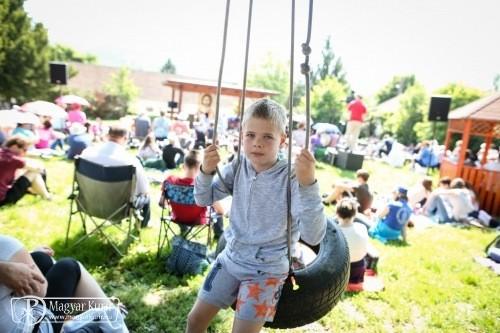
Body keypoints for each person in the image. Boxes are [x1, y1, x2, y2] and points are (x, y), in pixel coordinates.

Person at [186, 99, 326, 333]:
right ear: (242, 135)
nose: (257, 144)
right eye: (250, 135)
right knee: (194, 321)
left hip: (266, 270)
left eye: (267, 137)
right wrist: (205, 171)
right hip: (231, 258)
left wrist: (308, 183)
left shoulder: (292, 177)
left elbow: (313, 235)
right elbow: (203, 199)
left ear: (282, 140)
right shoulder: (240, 164)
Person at [0, 234, 126, 332]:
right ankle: (116, 321)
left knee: (41, 258)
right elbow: (41, 290)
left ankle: (108, 314)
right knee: (68, 267)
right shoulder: (4, 244)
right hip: (34, 328)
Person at [80, 125, 151, 228]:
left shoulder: (87, 153)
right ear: (125, 138)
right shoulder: (131, 161)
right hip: (119, 210)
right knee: (147, 197)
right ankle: (143, 225)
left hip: (88, 204)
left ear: (107, 136)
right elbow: (144, 190)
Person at [163, 149, 226, 239]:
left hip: (178, 218)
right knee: (217, 212)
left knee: (183, 207)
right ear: (200, 167)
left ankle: (184, 230)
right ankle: (219, 235)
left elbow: (162, 203)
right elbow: (220, 211)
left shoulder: (170, 181)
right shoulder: (204, 187)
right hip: (198, 220)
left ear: (184, 166)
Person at [0, 136, 51, 206]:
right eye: (25, 149)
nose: (25, 152)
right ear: (15, 146)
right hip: (3, 200)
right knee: (33, 173)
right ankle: (47, 197)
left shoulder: (3, 153)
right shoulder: (13, 159)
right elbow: (38, 168)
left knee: (25, 173)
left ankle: (40, 193)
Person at [336, 198, 369, 292]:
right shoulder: (361, 227)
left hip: (340, 271)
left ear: (337, 214)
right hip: (358, 269)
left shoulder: (335, 232)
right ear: (355, 214)